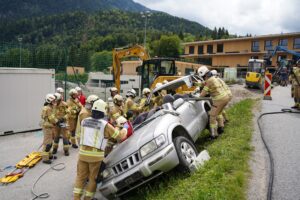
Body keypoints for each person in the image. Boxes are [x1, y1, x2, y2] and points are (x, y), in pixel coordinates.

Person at [73, 99, 127, 200]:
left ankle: (76, 198)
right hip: (95, 157)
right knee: (93, 178)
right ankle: (88, 198)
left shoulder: (84, 121)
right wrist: (124, 128)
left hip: (82, 154)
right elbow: (119, 136)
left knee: (81, 177)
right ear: (104, 111)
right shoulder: (104, 125)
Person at [198, 66, 231, 139]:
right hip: (225, 98)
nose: (203, 78)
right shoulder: (214, 78)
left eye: (203, 77)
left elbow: (202, 95)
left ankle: (214, 135)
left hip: (219, 100)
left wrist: (196, 97)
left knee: (212, 116)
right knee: (219, 113)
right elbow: (206, 84)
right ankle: (221, 128)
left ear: (205, 75)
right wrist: (198, 84)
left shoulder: (208, 81)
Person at [40, 94, 58, 164]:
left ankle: (49, 155)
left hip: (49, 126)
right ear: (49, 101)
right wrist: (57, 121)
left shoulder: (48, 107)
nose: (54, 102)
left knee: (50, 142)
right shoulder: (48, 108)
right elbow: (51, 118)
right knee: (47, 143)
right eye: (53, 101)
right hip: (47, 127)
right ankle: (45, 158)